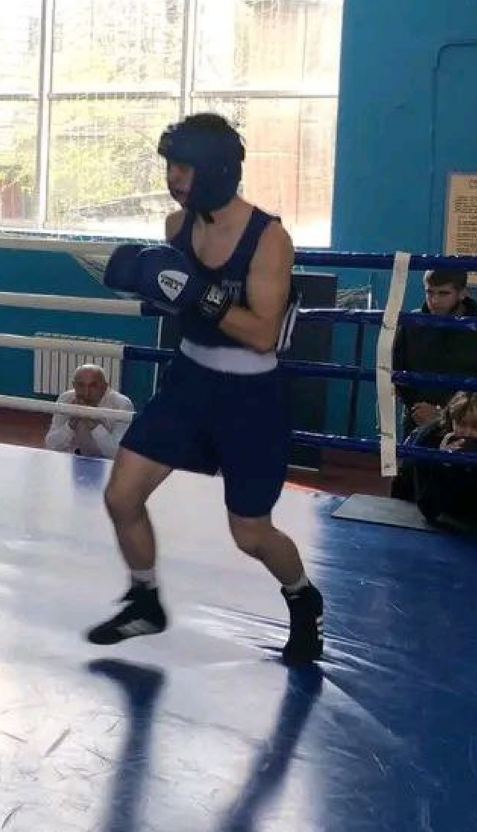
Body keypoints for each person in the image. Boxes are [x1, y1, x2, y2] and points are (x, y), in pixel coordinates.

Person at [94, 113, 322, 665]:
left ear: (216, 171)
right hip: (189, 382)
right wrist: (149, 287)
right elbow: (177, 301)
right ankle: (145, 600)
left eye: (183, 167)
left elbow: (263, 334)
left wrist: (201, 294)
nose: (173, 178)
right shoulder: (177, 226)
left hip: (249, 398)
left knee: (250, 533)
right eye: (170, 166)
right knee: (121, 496)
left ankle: (302, 597)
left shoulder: (269, 238)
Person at [391, 268, 477, 439]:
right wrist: (415, 407)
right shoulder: (411, 324)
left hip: (466, 428)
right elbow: (398, 371)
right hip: (418, 422)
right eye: (429, 292)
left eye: (444, 293)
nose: (435, 300)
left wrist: (446, 414)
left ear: (463, 293)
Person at [394, 390, 477, 534]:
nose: (467, 432)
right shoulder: (428, 439)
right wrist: (442, 464)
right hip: (414, 506)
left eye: (476, 427)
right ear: (451, 421)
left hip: (475, 521)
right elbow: (428, 509)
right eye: (461, 424)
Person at [43, 364, 133, 458]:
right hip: (80, 458)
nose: (86, 392)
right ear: (74, 385)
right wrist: (71, 424)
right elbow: (51, 445)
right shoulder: (66, 399)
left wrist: (93, 424)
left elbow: (116, 453)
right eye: (81, 385)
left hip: (111, 463)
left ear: (105, 386)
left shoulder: (122, 404)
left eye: (93, 386)